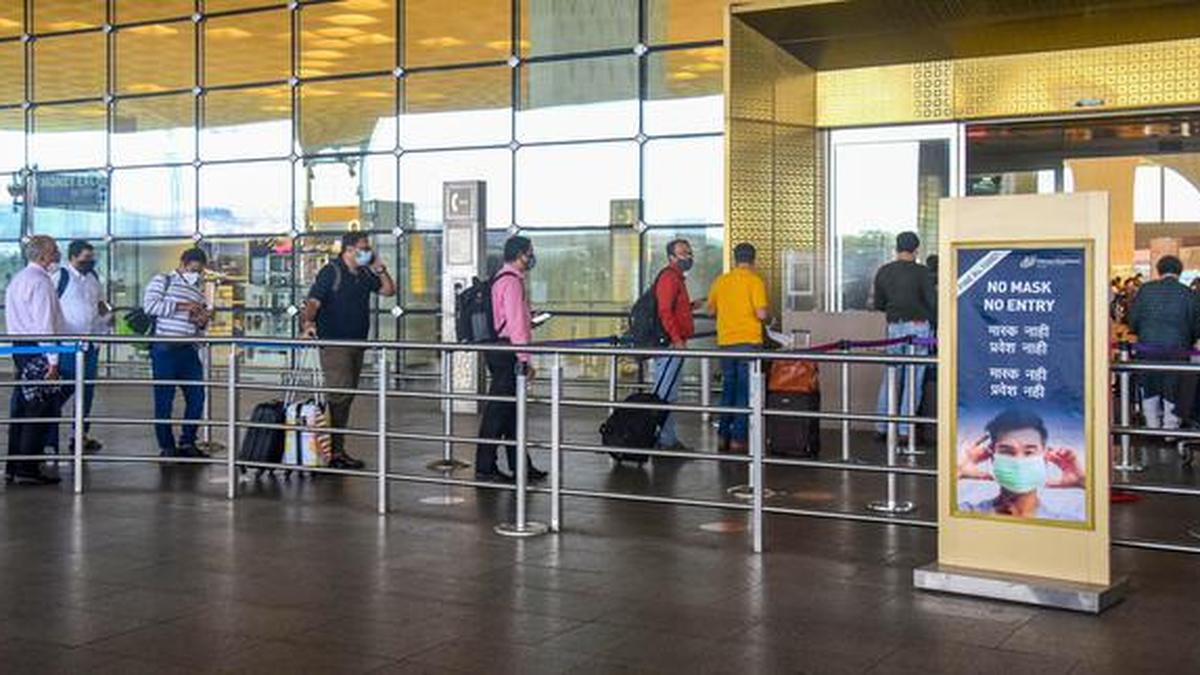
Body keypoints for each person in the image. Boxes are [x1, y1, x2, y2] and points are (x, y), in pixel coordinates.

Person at [301, 232, 396, 470]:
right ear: (350, 250)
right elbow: (313, 301)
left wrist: (380, 269)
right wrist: (308, 323)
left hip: (357, 343)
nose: (368, 252)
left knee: (346, 396)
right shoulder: (331, 272)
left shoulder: (363, 273)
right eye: (364, 248)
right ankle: (333, 452)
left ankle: (334, 449)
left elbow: (388, 291)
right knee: (339, 396)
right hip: (335, 344)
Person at [475, 236, 547, 483]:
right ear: (519, 255)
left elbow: (511, 318)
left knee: (511, 412)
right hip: (507, 352)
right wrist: (524, 360)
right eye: (529, 253)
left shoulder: (502, 278)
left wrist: (528, 319)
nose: (531, 257)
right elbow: (515, 325)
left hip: (500, 349)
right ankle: (485, 467)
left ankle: (521, 466)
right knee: (498, 413)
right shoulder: (512, 283)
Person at [4, 235, 65, 485]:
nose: (57, 254)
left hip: (21, 348)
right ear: (43, 255)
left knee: (22, 408)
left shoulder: (18, 279)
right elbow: (44, 324)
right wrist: (53, 361)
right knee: (39, 409)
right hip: (38, 350)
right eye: (54, 250)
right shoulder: (41, 282)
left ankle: (14, 465)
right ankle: (28, 469)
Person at [143, 248, 212, 458]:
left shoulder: (199, 290)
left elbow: (199, 323)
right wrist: (183, 305)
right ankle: (167, 446)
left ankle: (188, 441)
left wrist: (201, 321)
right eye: (192, 270)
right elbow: (150, 306)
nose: (195, 275)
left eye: (199, 271)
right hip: (165, 348)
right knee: (164, 400)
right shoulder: (163, 281)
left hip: (188, 350)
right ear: (182, 264)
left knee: (197, 397)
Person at [957, 408, 1085, 521]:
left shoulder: (1068, 523)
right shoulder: (966, 513)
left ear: (1045, 457)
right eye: (1007, 451)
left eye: (1029, 452)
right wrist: (958, 470)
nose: (1018, 461)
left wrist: (1084, 481)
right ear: (992, 457)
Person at [48, 240, 109, 455]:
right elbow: (49, 307)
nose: (90, 262)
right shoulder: (59, 277)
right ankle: (46, 435)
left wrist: (107, 316)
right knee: (63, 390)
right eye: (85, 258)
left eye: (91, 258)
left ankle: (80, 435)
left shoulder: (93, 277)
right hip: (67, 345)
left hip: (90, 344)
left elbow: (100, 303)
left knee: (86, 391)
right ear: (72, 257)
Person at [872, 231, 936, 439]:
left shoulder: (884, 271)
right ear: (916, 250)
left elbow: (879, 304)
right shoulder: (923, 272)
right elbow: (932, 303)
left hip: (893, 328)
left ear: (896, 248)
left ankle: (882, 427)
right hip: (918, 328)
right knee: (913, 379)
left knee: (891, 377)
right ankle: (904, 430)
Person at [707, 242, 768, 453]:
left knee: (728, 388)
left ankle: (722, 436)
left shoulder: (721, 281)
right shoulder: (755, 281)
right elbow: (761, 314)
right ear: (753, 259)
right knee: (744, 390)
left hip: (726, 342)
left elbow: (710, 310)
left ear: (735, 259)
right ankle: (738, 438)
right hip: (748, 342)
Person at [1128, 255, 1200, 430]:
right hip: (1178, 349)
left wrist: (1140, 331)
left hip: (1147, 347)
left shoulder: (1145, 290)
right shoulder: (1188, 293)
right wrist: (1190, 339)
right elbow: (1196, 326)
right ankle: (1170, 428)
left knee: (1149, 385)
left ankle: (1152, 425)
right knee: (1174, 387)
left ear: (1158, 270)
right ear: (1180, 272)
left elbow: (1133, 321)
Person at [651, 239, 705, 452]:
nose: (688, 256)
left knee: (668, 391)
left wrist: (690, 307)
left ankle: (667, 438)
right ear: (671, 257)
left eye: (689, 252)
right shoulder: (669, 278)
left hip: (673, 343)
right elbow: (665, 311)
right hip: (670, 345)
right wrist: (677, 340)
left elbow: (673, 308)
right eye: (683, 253)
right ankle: (665, 440)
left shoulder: (677, 278)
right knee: (666, 393)